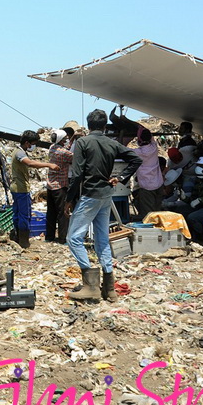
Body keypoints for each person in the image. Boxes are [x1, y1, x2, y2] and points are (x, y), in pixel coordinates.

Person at [64, 109, 142, 302]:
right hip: (107, 195)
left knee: (73, 238)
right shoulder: (112, 143)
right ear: (105, 126)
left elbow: (77, 174)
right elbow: (136, 159)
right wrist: (121, 177)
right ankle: (109, 288)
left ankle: (90, 284)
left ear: (89, 125)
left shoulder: (83, 142)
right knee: (102, 239)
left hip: (90, 195)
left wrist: (69, 199)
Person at [11, 130, 59, 249]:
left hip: (16, 187)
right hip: (21, 188)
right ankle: (23, 242)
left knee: (17, 214)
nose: (33, 146)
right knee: (24, 215)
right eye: (33, 144)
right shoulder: (20, 154)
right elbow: (30, 163)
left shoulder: (18, 151)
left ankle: (16, 238)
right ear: (27, 143)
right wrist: (49, 165)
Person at [45, 128, 73, 243]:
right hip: (60, 186)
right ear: (61, 140)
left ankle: (49, 237)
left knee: (51, 213)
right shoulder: (64, 153)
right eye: (65, 139)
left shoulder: (52, 148)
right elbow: (74, 157)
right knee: (62, 213)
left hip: (50, 185)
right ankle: (62, 238)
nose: (67, 141)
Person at [130, 127, 163, 219]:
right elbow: (151, 138)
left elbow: (122, 149)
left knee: (148, 214)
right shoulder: (154, 147)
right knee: (158, 211)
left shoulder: (138, 152)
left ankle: (152, 231)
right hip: (158, 183)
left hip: (147, 186)